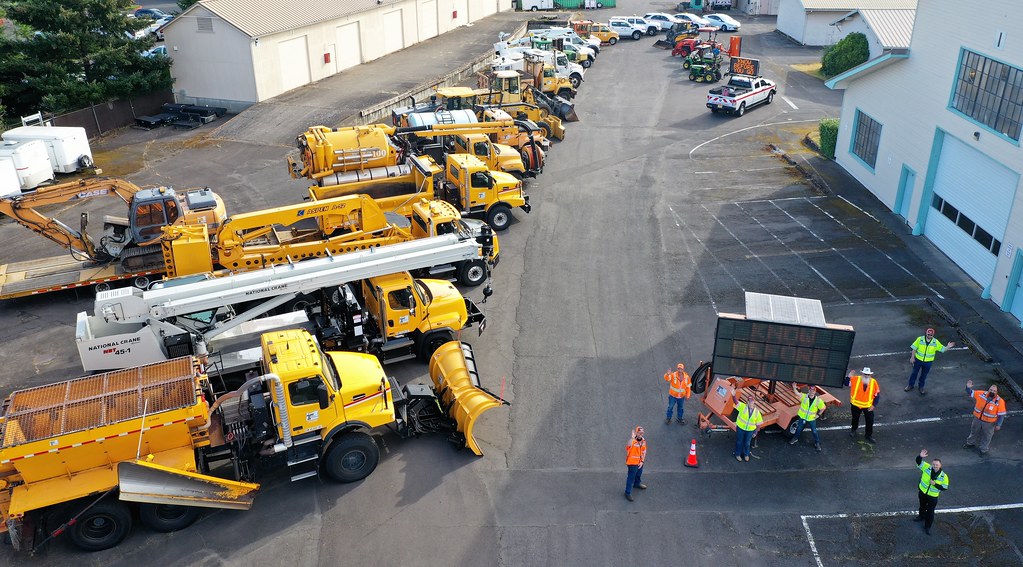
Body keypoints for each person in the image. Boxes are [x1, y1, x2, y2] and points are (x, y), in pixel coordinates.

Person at [906, 327, 955, 395]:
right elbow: (914, 348)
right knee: (914, 373)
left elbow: (942, 349)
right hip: (918, 360)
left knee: (924, 375)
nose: (929, 336)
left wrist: (948, 347)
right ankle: (910, 385)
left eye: (931, 335)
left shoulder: (935, 342)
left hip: (928, 362)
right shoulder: (920, 339)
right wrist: (912, 357)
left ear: (933, 335)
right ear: (926, 333)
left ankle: (921, 387)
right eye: (928, 334)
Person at [964, 380, 1007, 455]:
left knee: (987, 437)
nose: (992, 391)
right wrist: (968, 387)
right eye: (991, 390)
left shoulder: (1000, 401)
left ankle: (983, 449)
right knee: (974, 432)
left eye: (994, 391)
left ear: (997, 392)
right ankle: (970, 443)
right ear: (988, 390)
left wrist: (998, 424)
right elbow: (970, 392)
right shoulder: (981, 394)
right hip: (977, 419)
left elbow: (1001, 414)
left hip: (989, 423)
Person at [914, 449, 949, 535]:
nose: (935, 466)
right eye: (933, 464)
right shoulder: (927, 467)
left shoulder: (944, 476)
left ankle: (927, 526)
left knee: (930, 512)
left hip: (932, 496)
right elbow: (918, 462)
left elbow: (945, 487)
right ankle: (921, 516)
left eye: (937, 465)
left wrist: (935, 484)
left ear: (940, 465)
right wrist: (920, 457)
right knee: (922, 506)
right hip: (922, 492)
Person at [847, 367, 880, 444]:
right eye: (865, 374)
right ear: (862, 374)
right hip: (855, 405)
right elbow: (846, 383)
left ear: (870, 375)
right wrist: (849, 376)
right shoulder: (856, 379)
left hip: (868, 406)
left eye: (868, 374)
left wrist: (873, 405)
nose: (866, 376)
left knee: (870, 421)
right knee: (855, 418)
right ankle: (853, 430)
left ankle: (868, 435)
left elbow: (877, 394)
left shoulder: (873, 382)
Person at [789, 386, 827, 452]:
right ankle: (795, 438)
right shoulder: (804, 396)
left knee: (814, 431)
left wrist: (818, 415)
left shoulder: (818, 400)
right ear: (808, 391)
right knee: (799, 428)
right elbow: (797, 393)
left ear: (815, 392)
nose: (812, 391)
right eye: (811, 390)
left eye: (813, 390)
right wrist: (794, 387)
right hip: (802, 417)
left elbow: (823, 408)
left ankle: (817, 442)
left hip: (811, 418)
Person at [732, 392, 763, 462]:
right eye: (749, 401)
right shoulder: (743, 407)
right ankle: (737, 454)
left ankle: (746, 455)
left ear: (754, 402)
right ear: (747, 402)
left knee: (747, 443)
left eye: (752, 401)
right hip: (740, 428)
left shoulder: (757, 412)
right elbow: (736, 402)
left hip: (750, 430)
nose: (750, 403)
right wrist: (733, 396)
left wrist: (755, 432)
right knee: (739, 442)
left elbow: (758, 424)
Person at [624, 426, 647, 502]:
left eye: (642, 433)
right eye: (639, 433)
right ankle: (627, 492)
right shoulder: (632, 441)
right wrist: (632, 438)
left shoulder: (643, 441)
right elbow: (628, 446)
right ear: (636, 433)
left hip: (640, 462)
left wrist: (642, 461)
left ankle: (637, 484)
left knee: (638, 474)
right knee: (631, 477)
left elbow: (644, 451)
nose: (641, 434)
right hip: (632, 463)